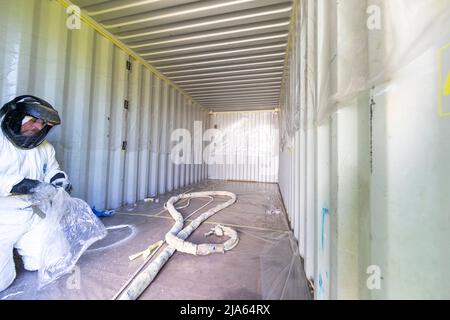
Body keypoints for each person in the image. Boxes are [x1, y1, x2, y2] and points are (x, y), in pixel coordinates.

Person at [0, 95, 72, 292]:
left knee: (55, 261)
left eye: (43, 124)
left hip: (33, 213)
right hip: (2, 218)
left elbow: (52, 171)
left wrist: (59, 180)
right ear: (15, 117)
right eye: (33, 120)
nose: (38, 127)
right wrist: (22, 185)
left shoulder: (44, 147)